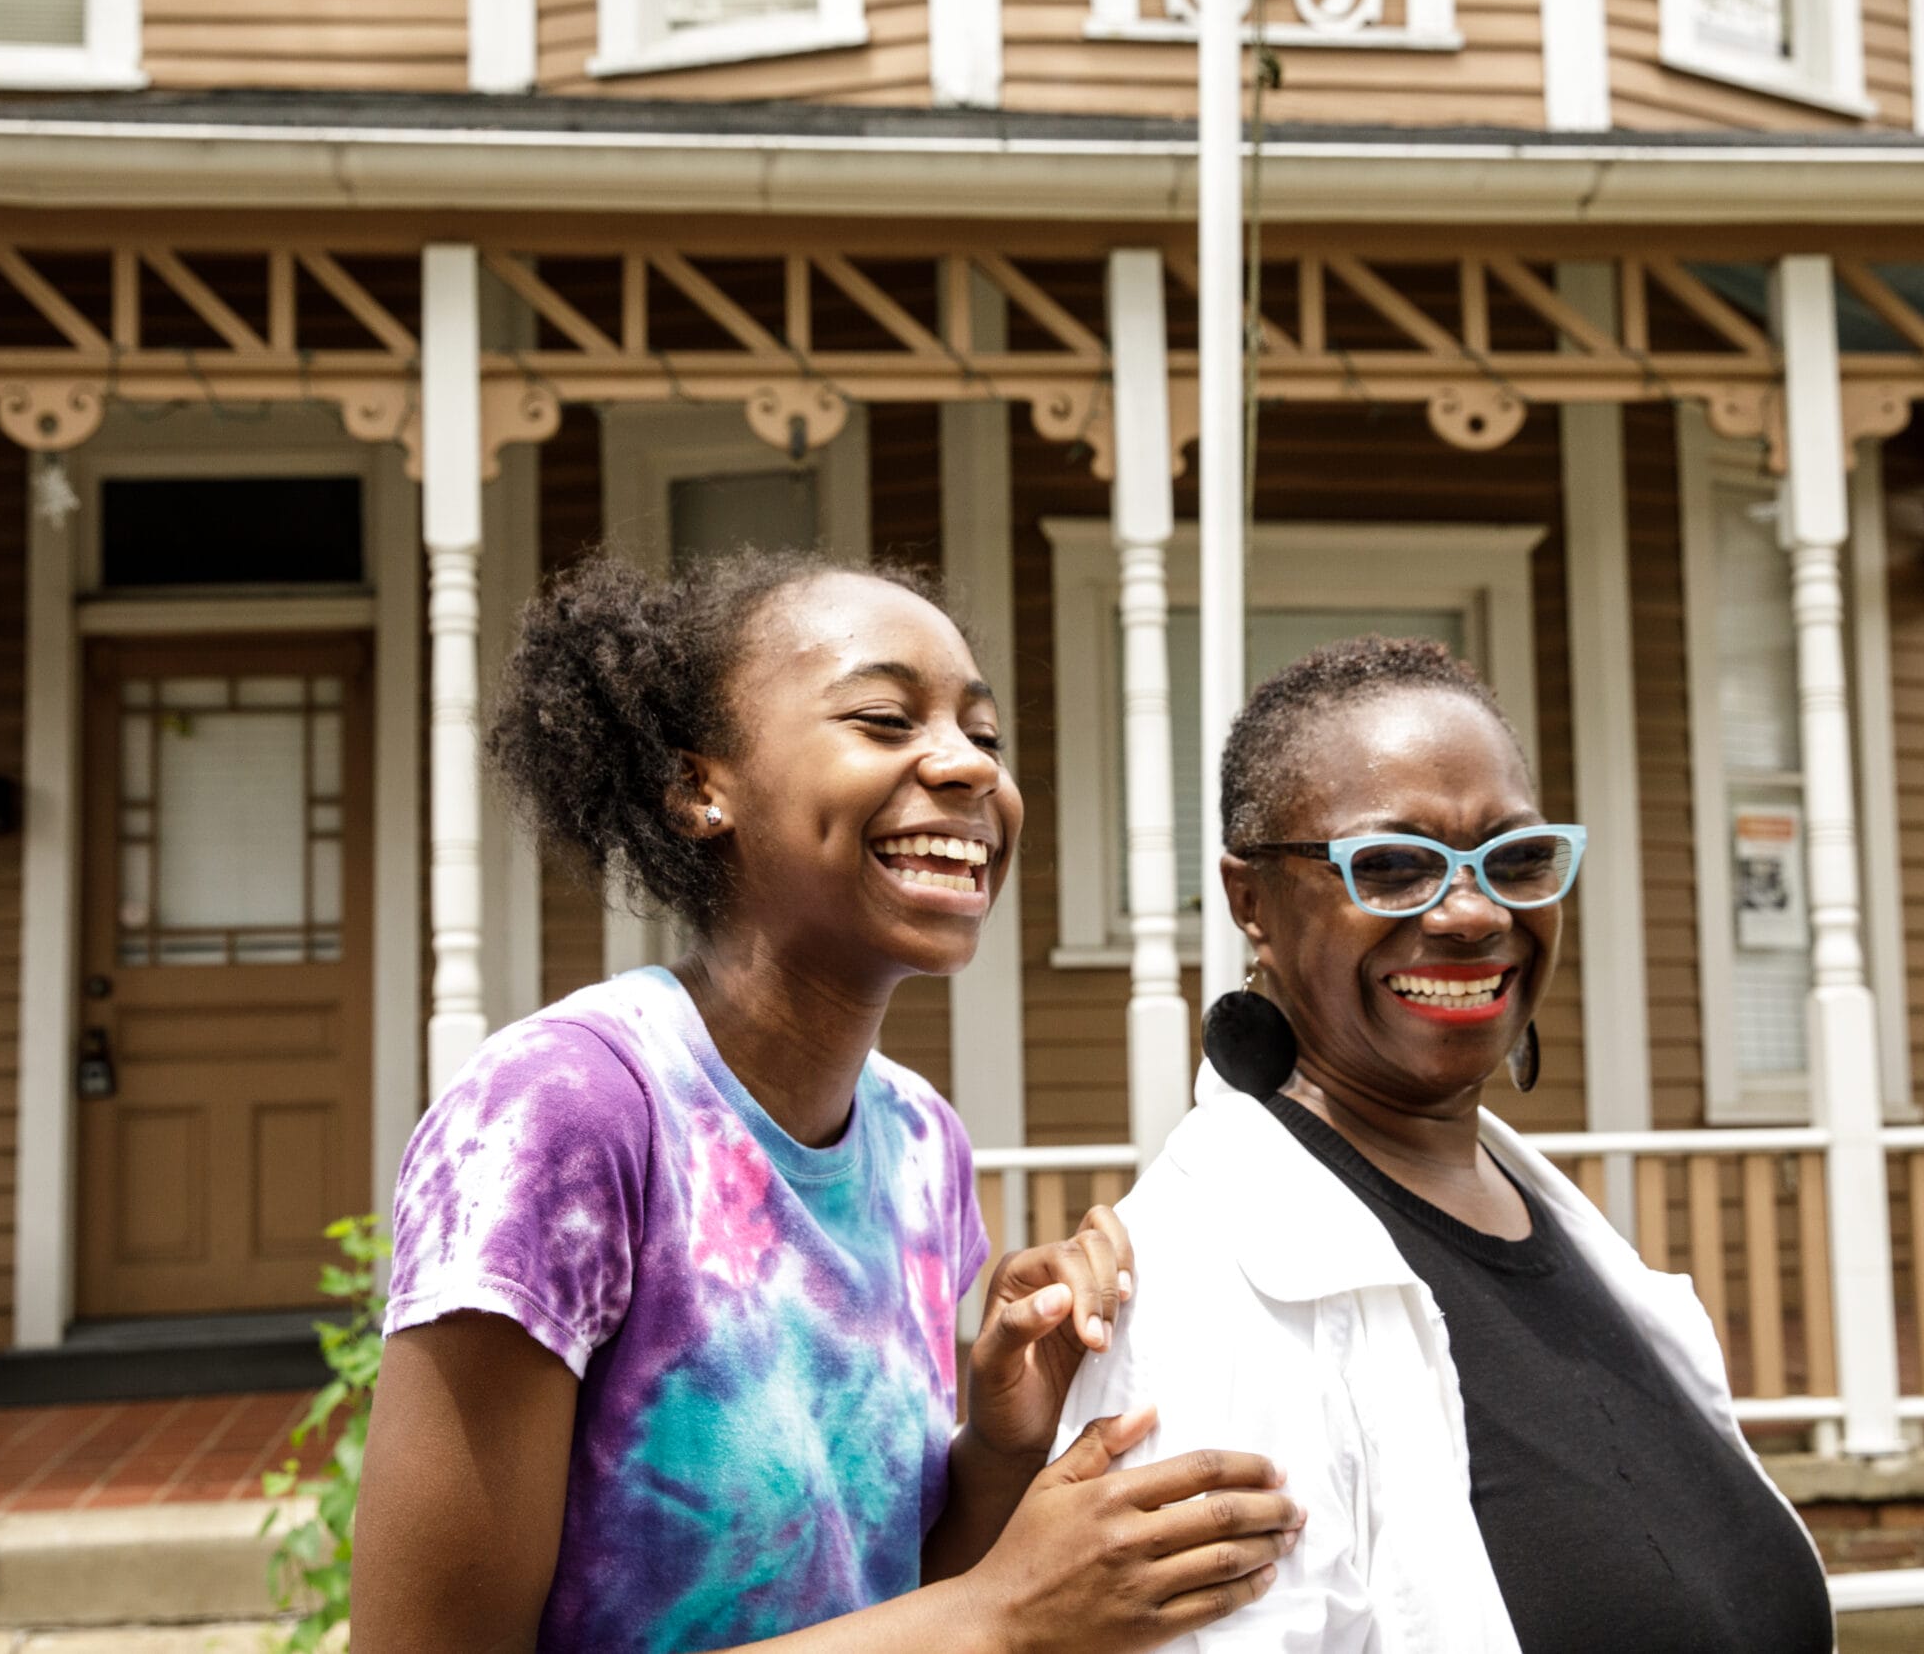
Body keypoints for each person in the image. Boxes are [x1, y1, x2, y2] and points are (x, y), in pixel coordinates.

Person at [351, 550, 1304, 1654]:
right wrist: (998, 1615)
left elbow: (891, 1594)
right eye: (885, 719)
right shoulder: (566, 1113)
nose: (965, 769)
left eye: (983, 735)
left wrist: (999, 1446)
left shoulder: (917, 1142)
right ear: (699, 789)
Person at [1055, 635, 1833, 1653]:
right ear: (1251, 902)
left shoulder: (1551, 1222)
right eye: (1389, 867)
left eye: (1514, 860)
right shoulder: (1199, 1300)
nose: (1471, 912)